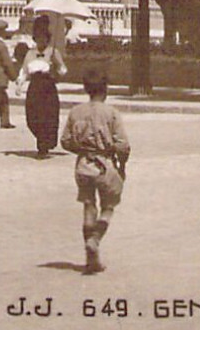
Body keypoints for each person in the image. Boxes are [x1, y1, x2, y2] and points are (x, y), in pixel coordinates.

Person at [61, 68, 130, 275]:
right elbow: (123, 145)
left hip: (83, 165)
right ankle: (95, 239)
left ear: (86, 88)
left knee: (88, 205)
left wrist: (82, 150)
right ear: (105, 89)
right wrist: (122, 165)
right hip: (105, 165)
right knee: (108, 207)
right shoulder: (111, 113)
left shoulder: (75, 112)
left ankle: (91, 259)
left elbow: (65, 141)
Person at [17, 15, 67, 156]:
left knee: (48, 117)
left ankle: (43, 145)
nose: (41, 40)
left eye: (44, 37)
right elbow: (24, 71)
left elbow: (63, 70)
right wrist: (19, 85)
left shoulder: (53, 52)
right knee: (32, 117)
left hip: (48, 88)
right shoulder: (30, 53)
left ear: (48, 38)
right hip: (34, 88)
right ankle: (41, 139)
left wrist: (56, 67)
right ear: (35, 38)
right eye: (38, 37)